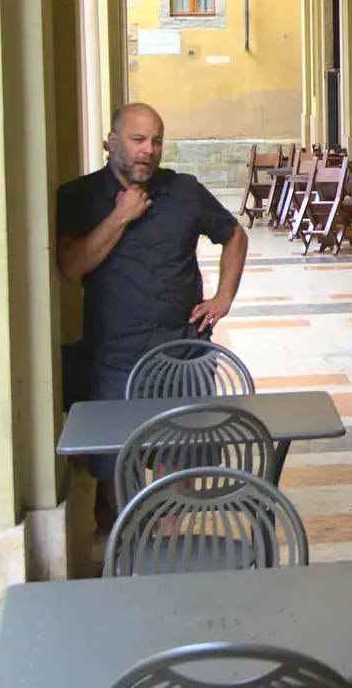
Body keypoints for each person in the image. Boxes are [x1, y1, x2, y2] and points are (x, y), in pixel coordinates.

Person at [56, 103, 248, 526]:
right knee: (114, 461)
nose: (148, 151)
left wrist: (223, 297)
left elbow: (234, 234)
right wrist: (120, 215)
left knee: (180, 453)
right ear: (111, 143)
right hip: (115, 353)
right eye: (138, 140)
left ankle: (166, 537)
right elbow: (71, 267)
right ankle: (133, 534)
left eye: (156, 141)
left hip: (182, 347)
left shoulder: (184, 191)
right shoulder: (79, 195)